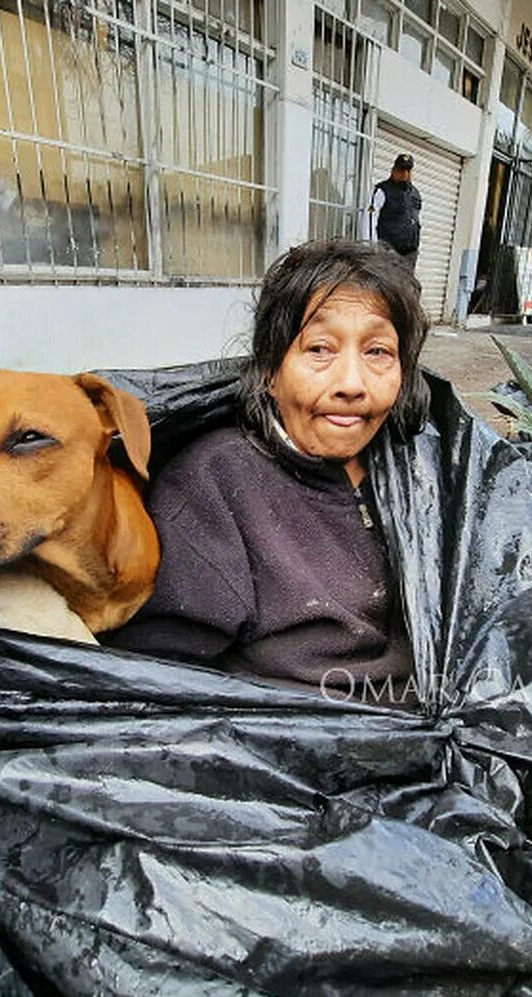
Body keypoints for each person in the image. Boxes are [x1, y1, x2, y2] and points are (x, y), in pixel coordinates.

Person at [107, 240, 430, 708]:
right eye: (319, 348)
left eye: (378, 351)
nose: (352, 385)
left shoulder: (419, 467)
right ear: (271, 372)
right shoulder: (214, 484)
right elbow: (159, 688)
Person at [362, 154, 422, 269]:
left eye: (408, 170)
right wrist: (370, 250)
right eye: (401, 170)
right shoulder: (381, 190)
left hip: (409, 255)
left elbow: (417, 221)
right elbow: (369, 219)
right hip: (387, 253)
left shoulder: (415, 194)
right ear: (393, 170)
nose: (405, 174)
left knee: (406, 286)